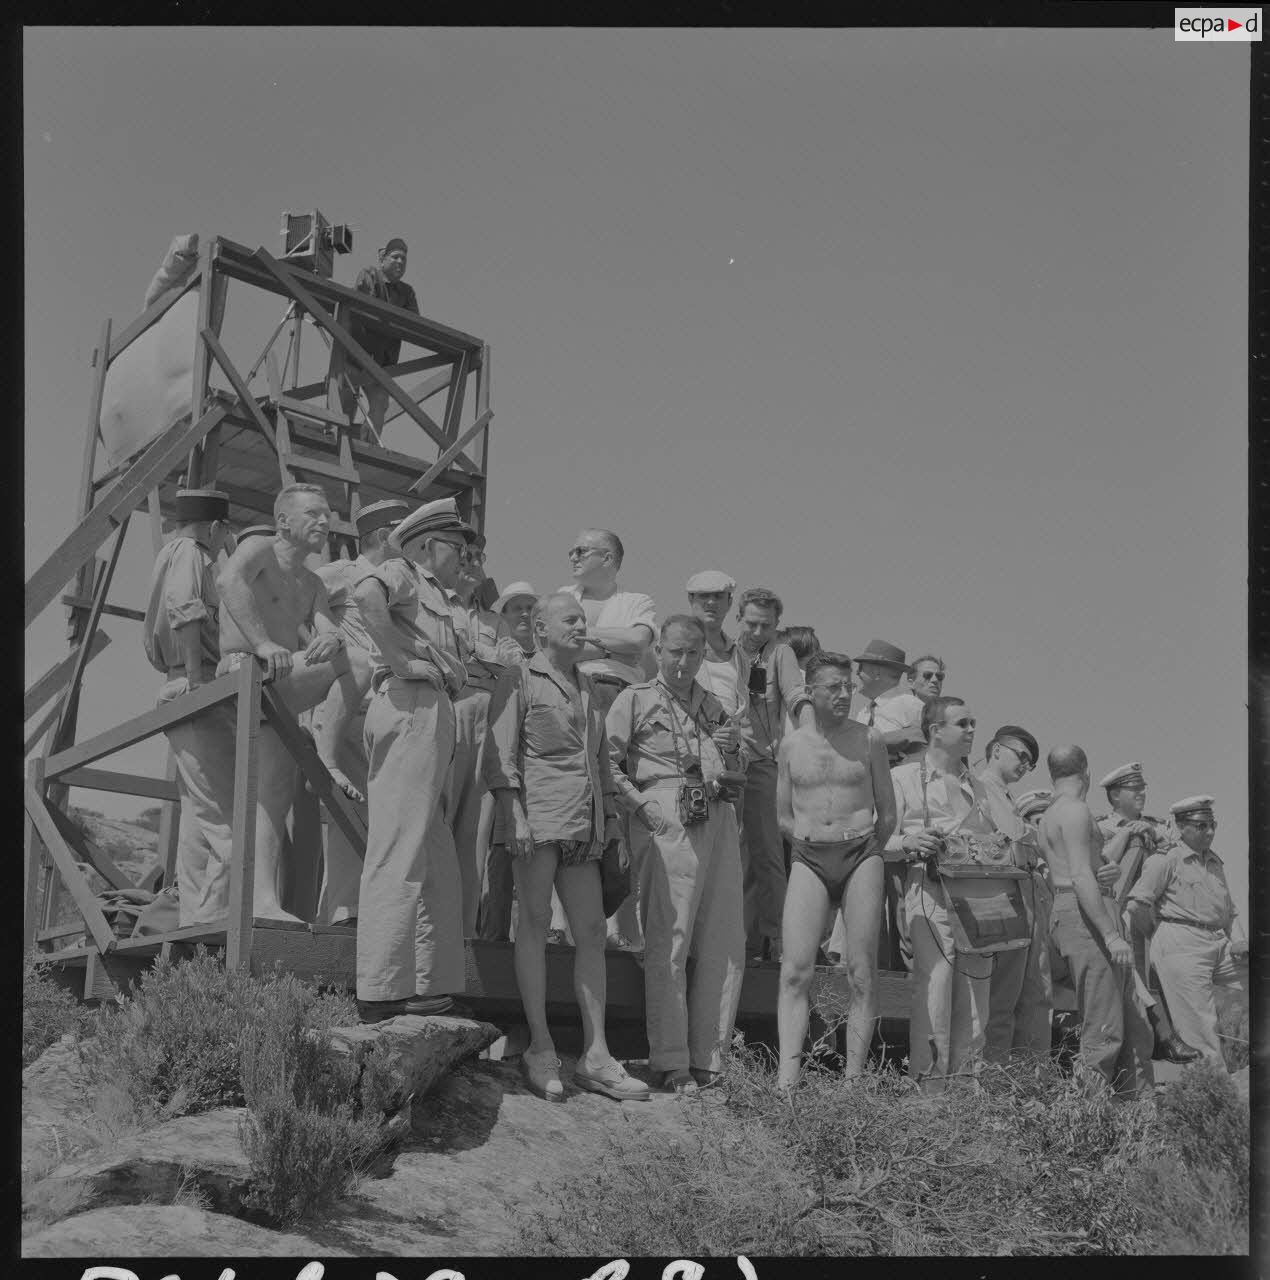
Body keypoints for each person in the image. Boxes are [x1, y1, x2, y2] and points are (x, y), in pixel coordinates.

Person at [485, 592, 650, 1103]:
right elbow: (502, 751)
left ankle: (597, 1055)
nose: (582, 627)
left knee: (591, 933)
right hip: (536, 817)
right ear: (540, 629)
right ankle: (541, 1047)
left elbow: (600, 765)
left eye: (584, 620)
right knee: (532, 922)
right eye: (570, 620)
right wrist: (511, 810)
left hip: (584, 824)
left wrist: (614, 827)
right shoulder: (518, 679)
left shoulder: (587, 686)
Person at [607, 615, 746, 1094]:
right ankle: (671, 1060)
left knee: (725, 938)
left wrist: (732, 753)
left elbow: (738, 767)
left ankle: (712, 1058)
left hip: (718, 813)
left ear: (704, 655)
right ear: (659, 651)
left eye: (693, 653)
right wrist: (642, 807)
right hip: (667, 809)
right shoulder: (636, 698)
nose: (683, 662)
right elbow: (605, 761)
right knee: (670, 936)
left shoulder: (714, 705)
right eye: (674, 652)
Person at [349, 497, 472, 1022]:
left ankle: (425, 981)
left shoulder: (439, 592)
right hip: (408, 701)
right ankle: (381, 988)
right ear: (428, 544)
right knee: (400, 845)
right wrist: (401, 658)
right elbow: (364, 593)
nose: (466, 557)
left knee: (433, 852)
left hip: (431, 709)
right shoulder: (404, 570)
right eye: (458, 546)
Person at [216, 483, 350, 922]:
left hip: (280, 682)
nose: (324, 522)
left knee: (272, 797)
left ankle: (263, 901)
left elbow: (326, 627)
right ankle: (249, 900)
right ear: (284, 522)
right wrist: (261, 641)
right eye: (313, 513)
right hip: (243, 668)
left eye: (327, 514)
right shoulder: (259, 549)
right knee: (253, 797)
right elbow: (227, 580)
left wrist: (331, 639)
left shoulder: (312, 582)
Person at [775, 652, 896, 1087]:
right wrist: (811, 842)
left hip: (860, 851)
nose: (844, 695)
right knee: (795, 970)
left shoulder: (870, 740)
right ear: (811, 691)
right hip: (809, 855)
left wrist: (864, 847)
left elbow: (887, 813)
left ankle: (853, 1081)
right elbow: (783, 816)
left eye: (848, 686)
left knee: (861, 972)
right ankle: (786, 1079)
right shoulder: (791, 745)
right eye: (833, 687)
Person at [885, 696, 999, 1094]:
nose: (972, 730)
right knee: (935, 987)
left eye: (973, 722)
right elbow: (876, 840)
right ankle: (928, 1094)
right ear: (936, 730)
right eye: (963, 723)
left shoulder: (981, 787)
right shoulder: (902, 778)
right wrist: (909, 841)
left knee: (975, 994)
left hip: (979, 895)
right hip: (928, 887)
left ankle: (967, 1094)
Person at [310, 499, 411, 925]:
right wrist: (326, 633)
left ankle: (365, 914)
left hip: (391, 714)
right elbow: (288, 601)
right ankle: (344, 915)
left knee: (389, 821)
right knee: (352, 817)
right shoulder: (339, 574)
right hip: (351, 711)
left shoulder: (403, 583)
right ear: (386, 536)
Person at [142, 488, 236, 926]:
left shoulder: (176, 550)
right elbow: (186, 609)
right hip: (196, 681)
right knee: (228, 817)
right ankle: (214, 920)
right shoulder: (191, 553)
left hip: (184, 681)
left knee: (201, 817)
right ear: (215, 527)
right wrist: (200, 679)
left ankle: (196, 919)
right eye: (225, 531)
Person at [560, 529, 657, 948]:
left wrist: (585, 641)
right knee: (571, 804)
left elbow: (638, 643)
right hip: (570, 700)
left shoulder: (637, 602)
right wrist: (611, 648)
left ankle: (622, 927)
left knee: (619, 806)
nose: (573, 556)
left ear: (611, 558)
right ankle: (564, 924)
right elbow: (552, 648)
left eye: (582, 550)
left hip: (620, 704)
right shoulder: (563, 595)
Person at [1038, 745, 1153, 1097]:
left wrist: (1109, 866)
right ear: (1086, 773)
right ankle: (1092, 1124)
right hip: (1087, 916)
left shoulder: (1050, 815)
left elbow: (1090, 867)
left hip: (1079, 910)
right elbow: (1079, 876)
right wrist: (1111, 934)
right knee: (1103, 1031)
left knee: (1133, 1026)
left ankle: (1137, 1121)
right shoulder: (1074, 811)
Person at [1127, 796, 1248, 1066]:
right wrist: (1159, 937)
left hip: (1220, 941)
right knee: (1200, 1030)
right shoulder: (1166, 859)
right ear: (1181, 827)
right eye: (1202, 825)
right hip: (1182, 943)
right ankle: (1211, 1093)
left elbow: (1231, 909)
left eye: (1212, 824)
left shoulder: (1214, 861)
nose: (1210, 832)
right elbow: (1137, 905)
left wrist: (1239, 941)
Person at [1097, 763, 1200, 1065]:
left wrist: (1152, 831)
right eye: (1134, 789)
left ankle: (1163, 1040)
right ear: (1115, 795)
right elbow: (1101, 867)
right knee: (1134, 983)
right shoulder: (1102, 828)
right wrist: (1128, 833)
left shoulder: (1158, 827)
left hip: (1151, 921)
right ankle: (1164, 1038)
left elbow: (1183, 850)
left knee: (1161, 977)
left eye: (1143, 788)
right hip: (1117, 916)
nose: (1142, 793)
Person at [448, 538, 523, 936]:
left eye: (479, 557)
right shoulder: (438, 606)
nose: (474, 564)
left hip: (488, 720)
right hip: (449, 710)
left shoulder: (495, 622)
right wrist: (488, 661)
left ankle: (463, 929)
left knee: (475, 831)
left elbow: (514, 664)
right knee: (438, 820)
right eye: (466, 556)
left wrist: (479, 658)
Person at [735, 586, 811, 962]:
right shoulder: (723, 652)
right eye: (751, 623)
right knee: (733, 855)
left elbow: (796, 695)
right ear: (739, 619)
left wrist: (811, 736)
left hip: (763, 762)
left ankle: (780, 940)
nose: (756, 631)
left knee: (767, 853)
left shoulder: (781, 654)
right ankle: (739, 938)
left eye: (765, 625)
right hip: (725, 763)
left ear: (777, 624)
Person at [977, 725, 1053, 1062]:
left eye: (1030, 762)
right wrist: (1030, 841)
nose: (1025, 765)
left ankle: (1020, 1082)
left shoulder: (1004, 794)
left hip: (1023, 895)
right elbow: (1007, 841)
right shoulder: (978, 787)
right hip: (996, 899)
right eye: (1021, 755)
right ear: (995, 750)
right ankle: (994, 1082)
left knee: (1030, 996)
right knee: (1000, 1001)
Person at [853, 639, 924, 973]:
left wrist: (877, 745)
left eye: (863, 667)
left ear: (880, 671)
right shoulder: (862, 712)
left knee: (900, 897)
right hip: (868, 806)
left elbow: (923, 739)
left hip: (899, 803)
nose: (858, 674)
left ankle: (906, 972)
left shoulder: (909, 703)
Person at [477, 581, 539, 942]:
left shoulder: (546, 657)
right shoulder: (499, 650)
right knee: (497, 852)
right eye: (517, 607)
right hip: (500, 766)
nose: (526, 614)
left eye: (531, 607)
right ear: (502, 615)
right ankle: (492, 937)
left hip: (537, 772)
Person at [339, 237, 421, 440]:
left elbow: (414, 324)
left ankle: (368, 445)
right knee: (345, 404)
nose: (400, 262)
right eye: (395, 257)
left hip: (380, 363)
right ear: (382, 259)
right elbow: (362, 307)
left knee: (380, 402)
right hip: (354, 355)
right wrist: (392, 323)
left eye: (404, 259)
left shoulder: (406, 292)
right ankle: (339, 441)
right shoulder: (370, 275)